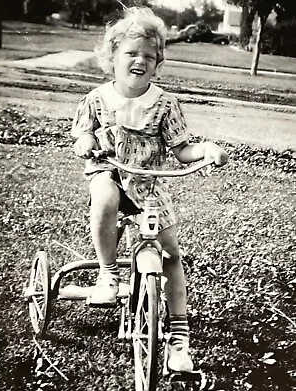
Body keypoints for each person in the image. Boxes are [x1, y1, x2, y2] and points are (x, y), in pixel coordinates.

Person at [71, 6, 228, 372]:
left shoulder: (165, 104)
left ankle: (178, 336)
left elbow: (182, 149)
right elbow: (82, 131)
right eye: (131, 53)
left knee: (171, 254)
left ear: (158, 63)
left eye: (149, 56)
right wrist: (84, 141)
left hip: (148, 184)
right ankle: (108, 273)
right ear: (112, 57)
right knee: (105, 196)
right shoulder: (96, 99)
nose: (140, 61)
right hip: (110, 171)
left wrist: (204, 150)